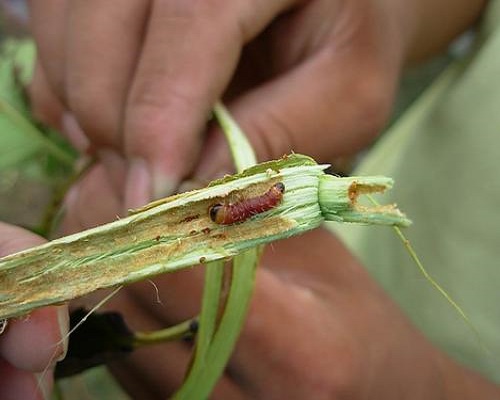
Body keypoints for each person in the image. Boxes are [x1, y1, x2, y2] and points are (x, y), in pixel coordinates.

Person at [2, 0, 499, 398]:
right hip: (346, 271)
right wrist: (393, 14)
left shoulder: (254, 204)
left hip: (385, 339)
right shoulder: (252, 203)